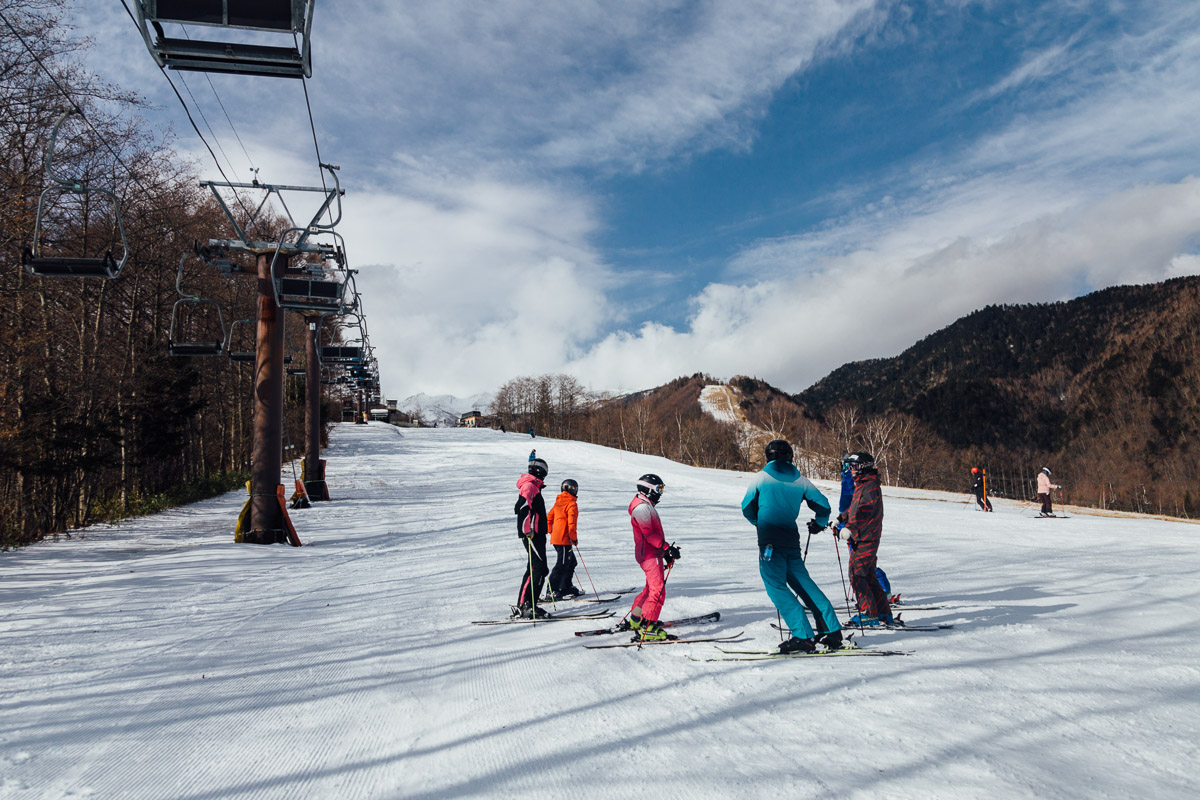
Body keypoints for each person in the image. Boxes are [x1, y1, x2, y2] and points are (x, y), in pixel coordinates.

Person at [742, 440, 842, 654]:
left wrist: (760, 523)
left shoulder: (761, 478)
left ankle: (803, 636)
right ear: (790, 456)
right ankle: (831, 630)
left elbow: (747, 507)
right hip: (790, 539)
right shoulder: (800, 480)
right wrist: (820, 523)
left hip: (770, 540)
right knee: (803, 583)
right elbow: (823, 505)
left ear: (768, 456)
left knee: (776, 585)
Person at [834, 452, 892, 626]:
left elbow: (864, 511)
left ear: (863, 467)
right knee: (868, 575)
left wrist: (849, 529)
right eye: (850, 467)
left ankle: (868, 613)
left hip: (867, 537)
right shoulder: (863, 484)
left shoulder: (870, 486)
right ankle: (883, 612)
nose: (850, 470)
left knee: (856, 574)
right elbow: (854, 508)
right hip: (864, 536)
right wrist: (840, 518)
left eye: (854, 467)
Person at [625, 473, 677, 640]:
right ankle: (648, 627)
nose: (660, 492)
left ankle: (636, 619)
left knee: (649, 590)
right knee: (657, 591)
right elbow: (649, 535)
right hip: (649, 554)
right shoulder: (641, 508)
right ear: (648, 489)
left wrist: (665, 552)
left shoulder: (645, 505)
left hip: (651, 553)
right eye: (658, 489)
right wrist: (667, 548)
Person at [513, 457, 550, 618]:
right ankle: (525, 605)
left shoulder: (534, 486)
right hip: (532, 534)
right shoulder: (529, 486)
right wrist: (527, 530)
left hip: (537, 534)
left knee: (539, 568)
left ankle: (529, 603)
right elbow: (521, 507)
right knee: (538, 568)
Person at [546, 479, 583, 599]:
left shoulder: (558, 502)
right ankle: (552, 590)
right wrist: (573, 537)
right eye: (574, 489)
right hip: (563, 539)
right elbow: (572, 523)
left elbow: (549, 518)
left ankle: (565, 586)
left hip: (559, 539)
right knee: (562, 564)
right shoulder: (571, 504)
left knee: (571, 562)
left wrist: (553, 531)